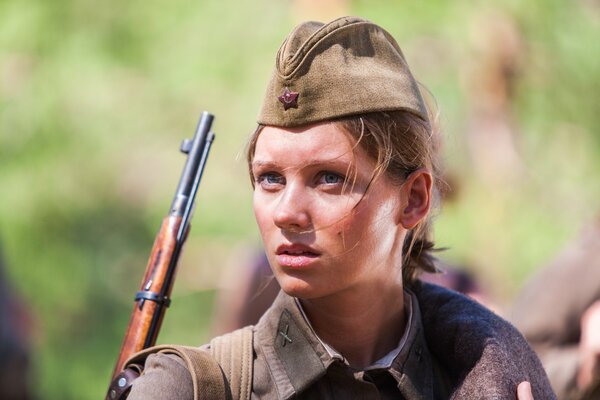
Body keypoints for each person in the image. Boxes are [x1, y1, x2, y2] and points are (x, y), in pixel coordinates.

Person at [128, 16, 554, 399]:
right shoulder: (188, 388)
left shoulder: (492, 377)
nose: (286, 212)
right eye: (270, 178)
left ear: (414, 199)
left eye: (329, 178)